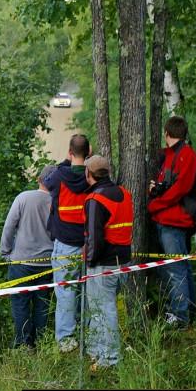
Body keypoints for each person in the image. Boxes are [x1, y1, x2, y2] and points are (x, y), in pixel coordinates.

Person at [148, 116, 196, 327]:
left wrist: (155, 204)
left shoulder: (186, 155)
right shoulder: (170, 154)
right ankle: (191, 310)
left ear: (167, 133)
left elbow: (180, 190)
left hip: (175, 220)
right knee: (182, 266)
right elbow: (168, 184)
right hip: (168, 219)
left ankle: (180, 317)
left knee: (175, 268)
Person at [83, 155, 132, 369]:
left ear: (89, 174)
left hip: (103, 264)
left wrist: (90, 262)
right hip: (124, 261)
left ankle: (110, 360)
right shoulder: (124, 193)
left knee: (104, 311)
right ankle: (96, 352)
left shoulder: (95, 200)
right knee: (101, 309)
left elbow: (94, 237)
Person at [0, 165, 56, 348]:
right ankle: (41, 343)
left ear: (39, 180)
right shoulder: (57, 202)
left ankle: (23, 345)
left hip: (21, 262)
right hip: (48, 262)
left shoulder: (23, 198)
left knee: (20, 305)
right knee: (42, 305)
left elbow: (9, 226)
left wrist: (5, 252)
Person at [44, 134, 91, 352]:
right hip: (88, 241)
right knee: (88, 289)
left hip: (64, 243)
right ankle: (87, 332)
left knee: (65, 290)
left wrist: (67, 160)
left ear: (70, 153)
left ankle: (66, 338)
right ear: (89, 152)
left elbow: (48, 181)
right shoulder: (93, 176)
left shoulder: (58, 176)